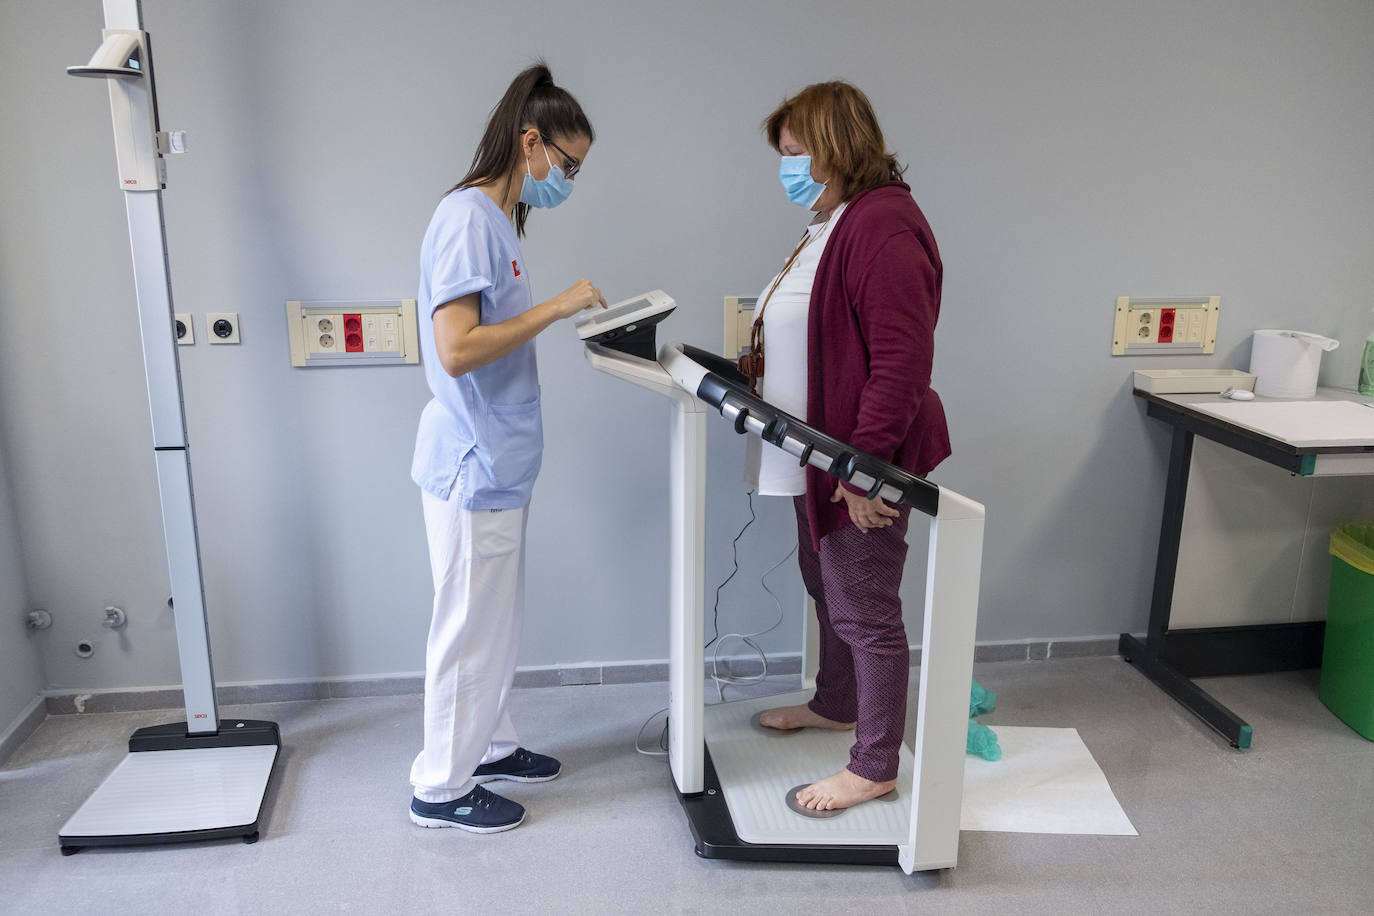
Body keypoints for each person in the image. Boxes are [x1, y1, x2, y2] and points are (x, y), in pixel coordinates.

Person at [407, 62, 605, 833]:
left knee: (492, 622)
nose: (570, 179)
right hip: (471, 463)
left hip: (499, 459)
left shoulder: (498, 220)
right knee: (467, 628)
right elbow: (456, 349)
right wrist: (557, 308)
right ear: (532, 143)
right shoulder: (465, 218)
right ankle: (440, 787)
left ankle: (488, 746)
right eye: (569, 163)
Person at [750, 81, 950, 812]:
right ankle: (836, 702)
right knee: (824, 583)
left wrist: (864, 472)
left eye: (796, 154)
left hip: (860, 459)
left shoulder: (884, 226)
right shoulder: (833, 221)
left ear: (837, 147)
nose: (788, 169)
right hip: (818, 452)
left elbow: (901, 361)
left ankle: (874, 765)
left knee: (865, 605)